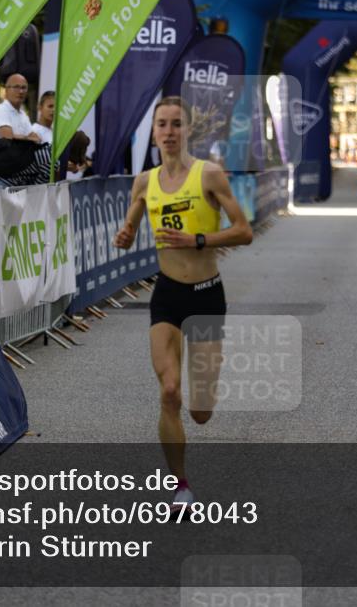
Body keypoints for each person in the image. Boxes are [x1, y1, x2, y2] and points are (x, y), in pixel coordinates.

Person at [112, 96, 253, 513]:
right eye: (162, 125)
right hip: (168, 295)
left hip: (207, 294)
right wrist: (124, 235)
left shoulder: (208, 175)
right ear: (153, 132)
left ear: (188, 130)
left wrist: (198, 240)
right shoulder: (145, 182)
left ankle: (202, 401)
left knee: (201, 409)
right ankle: (180, 486)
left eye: (176, 124)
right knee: (169, 390)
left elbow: (244, 231)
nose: (169, 132)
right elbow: (130, 225)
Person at [0, 73, 39, 144]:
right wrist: (28, 138)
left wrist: (21, 137)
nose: (20, 91)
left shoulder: (22, 114)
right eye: (16, 87)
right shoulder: (0, 110)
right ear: (6, 90)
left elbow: (36, 139)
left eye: (23, 88)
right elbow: (8, 138)